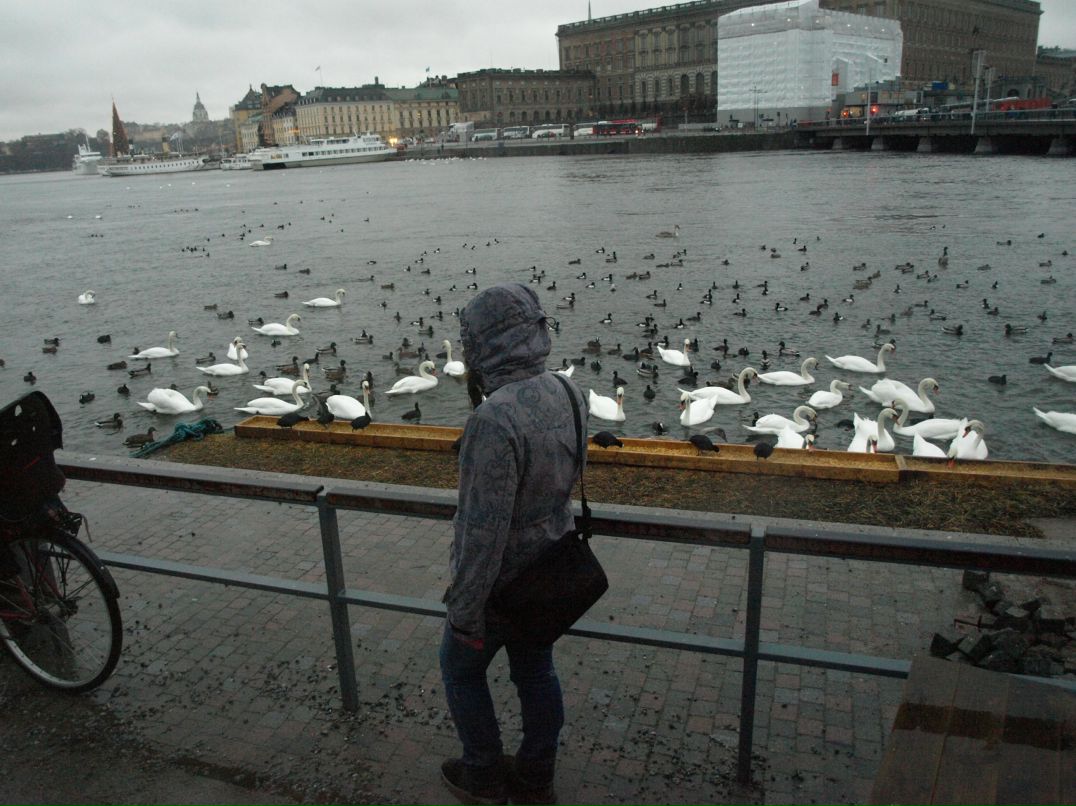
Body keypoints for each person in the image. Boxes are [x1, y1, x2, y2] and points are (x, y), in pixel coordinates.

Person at [440, 283, 585, 806]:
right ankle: (536, 774)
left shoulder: (493, 418)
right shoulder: (570, 392)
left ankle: (482, 772)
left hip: (502, 585)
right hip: (550, 572)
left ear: (481, 343)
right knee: (536, 671)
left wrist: (466, 608)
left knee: (459, 670)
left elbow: (483, 529)